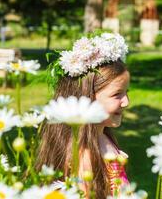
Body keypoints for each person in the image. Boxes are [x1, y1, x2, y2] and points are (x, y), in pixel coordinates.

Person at [35, 33, 130, 198]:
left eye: (126, 93)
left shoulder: (103, 137)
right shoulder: (83, 155)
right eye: (117, 95)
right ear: (88, 98)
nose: (126, 102)